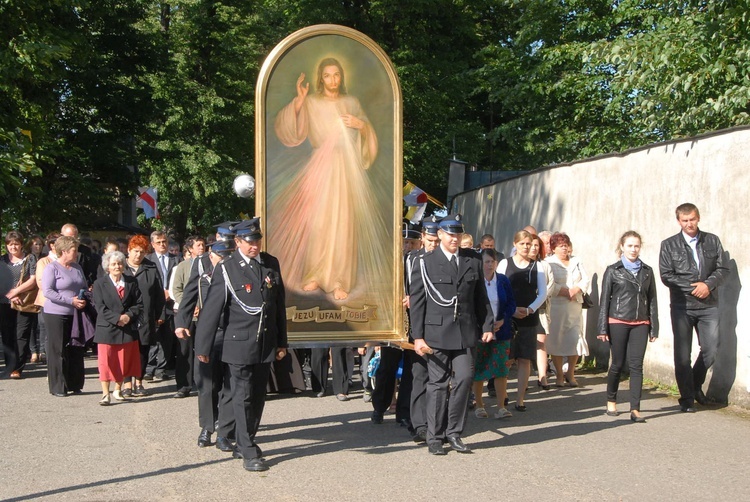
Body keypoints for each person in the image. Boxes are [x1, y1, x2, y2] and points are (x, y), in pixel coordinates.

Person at [270, 57, 386, 302]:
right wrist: (300, 101)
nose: (332, 80)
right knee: (319, 221)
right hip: (320, 167)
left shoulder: (351, 102)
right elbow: (290, 131)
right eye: (327, 75)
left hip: (345, 169)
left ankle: (339, 280)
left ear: (341, 77)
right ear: (320, 79)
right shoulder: (311, 102)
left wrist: (360, 125)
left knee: (343, 223)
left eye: (336, 75)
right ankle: (315, 273)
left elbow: (368, 134)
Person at [194, 218, 288, 472]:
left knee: (258, 397)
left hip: (264, 342)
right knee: (243, 396)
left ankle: (245, 440)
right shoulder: (227, 268)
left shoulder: (270, 263)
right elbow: (212, 310)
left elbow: (278, 306)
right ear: (237, 242)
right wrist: (203, 347)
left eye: (257, 241)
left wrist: (282, 342)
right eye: (249, 242)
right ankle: (247, 448)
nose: (255, 246)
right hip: (237, 343)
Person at [409, 214, 494, 455]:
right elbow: (417, 302)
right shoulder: (425, 262)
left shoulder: (473, 260)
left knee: (465, 378)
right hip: (436, 332)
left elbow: (481, 298)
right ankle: (435, 436)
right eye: (450, 234)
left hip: (465, 331)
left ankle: (454, 432)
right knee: (437, 383)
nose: (455, 239)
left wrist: (487, 325)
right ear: (441, 236)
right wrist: (418, 337)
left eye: (458, 234)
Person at [659, 203, 729, 412]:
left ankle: (695, 385)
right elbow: (666, 275)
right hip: (682, 306)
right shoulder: (669, 244)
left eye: (692, 219)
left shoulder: (712, 240)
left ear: (698, 218)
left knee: (710, 349)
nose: (689, 224)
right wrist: (693, 288)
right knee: (682, 355)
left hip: (709, 305)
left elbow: (723, 268)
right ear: (679, 221)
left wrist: (708, 285)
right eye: (685, 220)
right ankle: (687, 398)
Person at [176, 222, 238, 450]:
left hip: (232, 329)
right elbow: (190, 294)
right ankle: (207, 427)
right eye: (221, 238)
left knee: (230, 383)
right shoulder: (202, 263)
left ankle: (226, 430)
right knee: (207, 383)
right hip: (207, 331)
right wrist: (181, 322)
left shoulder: (235, 262)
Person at [598, 231, 659, 422]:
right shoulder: (613, 270)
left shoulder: (647, 271)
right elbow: (604, 301)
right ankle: (611, 401)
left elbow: (652, 299)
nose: (634, 249)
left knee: (636, 366)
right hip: (618, 321)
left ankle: (635, 408)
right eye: (630, 246)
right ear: (622, 247)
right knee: (617, 363)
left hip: (641, 322)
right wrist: (602, 328)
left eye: (637, 246)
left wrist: (654, 326)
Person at [497, 230, 548, 410]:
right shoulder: (505, 263)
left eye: (529, 244)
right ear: (515, 244)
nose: (526, 247)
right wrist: (510, 311)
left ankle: (520, 399)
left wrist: (529, 309)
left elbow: (543, 293)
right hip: (507, 318)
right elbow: (498, 288)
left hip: (528, 317)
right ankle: (502, 397)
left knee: (525, 359)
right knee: (506, 359)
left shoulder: (538, 266)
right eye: (522, 244)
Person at [93, 251, 143, 405]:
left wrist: (128, 316)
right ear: (107, 266)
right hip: (107, 328)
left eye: (120, 263)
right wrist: (117, 319)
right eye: (113, 264)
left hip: (127, 327)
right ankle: (105, 394)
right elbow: (100, 307)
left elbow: (139, 304)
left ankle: (118, 389)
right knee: (106, 362)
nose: (117, 266)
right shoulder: (99, 284)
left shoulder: (131, 281)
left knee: (123, 361)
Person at [41, 236, 88, 396]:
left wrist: (84, 297)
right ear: (64, 251)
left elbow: (84, 285)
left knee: (75, 349)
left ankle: (74, 383)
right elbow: (47, 291)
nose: (77, 253)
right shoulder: (51, 268)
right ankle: (58, 386)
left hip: (76, 314)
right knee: (58, 350)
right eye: (74, 250)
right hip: (56, 313)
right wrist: (70, 300)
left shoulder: (77, 267)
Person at [473, 249, 516, 419]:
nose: (489, 265)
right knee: (479, 368)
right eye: (486, 262)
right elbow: (473, 307)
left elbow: (511, 303)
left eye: (492, 262)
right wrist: (485, 325)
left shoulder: (503, 281)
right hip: (481, 333)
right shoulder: (476, 282)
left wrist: (503, 320)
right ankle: (479, 405)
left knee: (501, 370)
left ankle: (501, 407)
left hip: (501, 332)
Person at [122, 235, 165, 397]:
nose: (138, 255)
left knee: (143, 349)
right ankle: (127, 383)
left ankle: (139, 382)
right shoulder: (121, 267)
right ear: (128, 250)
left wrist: (160, 315)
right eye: (135, 251)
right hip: (125, 316)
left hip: (146, 316)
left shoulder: (151, 267)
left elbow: (159, 294)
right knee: (127, 350)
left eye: (142, 252)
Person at [545, 232, 590, 388]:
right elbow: (547, 283)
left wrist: (576, 288)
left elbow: (586, 279)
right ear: (553, 248)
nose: (564, 249)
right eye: (560, 246)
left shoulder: (576, 261)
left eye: (565, 245)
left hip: (574, 305)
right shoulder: (548, 262)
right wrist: (563, 291)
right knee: (556, 340)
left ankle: (570, 373)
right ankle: (558, 374)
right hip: (557, 307)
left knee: (575, 339)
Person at [169, 235, 206, 398]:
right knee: (184, 351)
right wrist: (190, 307)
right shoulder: (182, 267)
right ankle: (184, 385)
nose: (201, 248)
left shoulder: (209, 265)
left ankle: (202, 382)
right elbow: (175, 290)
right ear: (190, 249)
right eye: (198, 245)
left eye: (203, 245)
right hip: (186, 316)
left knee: (203, 349)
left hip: (204, 315)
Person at [1, 231, 38, 378]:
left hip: (24, 301)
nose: (13, 247)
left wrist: (16, 292)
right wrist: (9, 294)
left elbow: (33, 280)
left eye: (16, 244)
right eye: (10, 244)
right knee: (7, 334)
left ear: (21, 244)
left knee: (21, 334)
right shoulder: (2, 260)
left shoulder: (30, 259)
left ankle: (18, 367)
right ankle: (9, 365)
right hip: (4, 302)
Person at [145, 231, 179, 381]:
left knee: (167, 337)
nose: (162, 245)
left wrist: (170, 292)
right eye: (158, 242)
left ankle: (161, 368)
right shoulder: (148, 260)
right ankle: (149, 368)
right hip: (154, 303)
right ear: (152, 244)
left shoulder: (176, 259)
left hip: (170, 303)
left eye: (164, 241)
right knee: (154, 336)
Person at [529, 233, 554, 389]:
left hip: (541, 309)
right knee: (522, 343)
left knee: (540, 342)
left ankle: (542, 376)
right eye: (530, 245)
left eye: (536, 245)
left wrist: (540, 297)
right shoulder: (518, 264)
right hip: (522, 309)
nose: (533, 248)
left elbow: (551, 285)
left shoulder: (544, 265)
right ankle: (523, 378)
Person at [33, 232, 61, 365]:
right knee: (48, 333)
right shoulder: (43, 261)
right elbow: (41, 283)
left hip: (64, 304)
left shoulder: (68, 260)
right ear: (52, 245)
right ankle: (50, 362)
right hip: (47, 302)